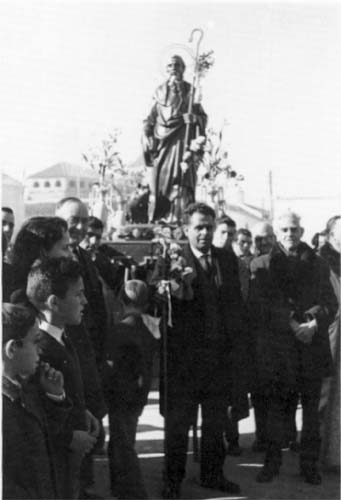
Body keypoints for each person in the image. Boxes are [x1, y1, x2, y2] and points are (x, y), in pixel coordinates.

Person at [152, 202, 245, 499]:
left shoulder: (226, 259)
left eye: (208, 226)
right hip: (185, 360)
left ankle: (212, 474)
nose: (204, 233)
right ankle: (173, 479)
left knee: (215, 421)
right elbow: (155, 292)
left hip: (218, 356)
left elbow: (234, 304)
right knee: (179, 422)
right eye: (198, 227)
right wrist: (168, 287)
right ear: (185, 229)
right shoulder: (171, 259)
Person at [10, 215, 107, 499]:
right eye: (63, 247)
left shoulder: (63, 322)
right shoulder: (31, 324)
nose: (71, 251)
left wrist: (81, 409)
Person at [249, 210, 337, 484]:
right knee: (276, 412)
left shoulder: (319, 264)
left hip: (311, 346)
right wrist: (289, 322)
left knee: (311, 413)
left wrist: (312, 323)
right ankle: (272, 463)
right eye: (285, 230)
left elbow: (330, 303)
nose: (290, 235)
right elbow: (258, 304)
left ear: (302, 231)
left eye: (294, 230)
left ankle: (309, 466)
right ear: (277, 232)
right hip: (280, 349)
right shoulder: (261, 264)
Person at [26, 257, 98, 499]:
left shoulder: (62, 337)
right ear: (54, 303)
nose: (85, 301)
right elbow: (35, 411)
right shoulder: (39, 350)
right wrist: (68, 436)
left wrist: (81, 411)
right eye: (78, 295)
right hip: (55, 460)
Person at [2, 303, 70, 499]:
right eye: (35, 341)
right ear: (13, 348)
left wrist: (55, 395)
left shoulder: (25, 389)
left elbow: (46, 439)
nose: (40, 350)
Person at [103, 280, 158, 499]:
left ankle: (131, 490)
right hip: (138, 394)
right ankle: (120, 487)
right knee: (126, 440)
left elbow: (110, 366)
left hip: (119, 395)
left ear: (122, 301)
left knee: (121, 444)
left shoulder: (119, 330)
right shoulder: (148, 329)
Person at [142, 55, 207, 222]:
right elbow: (150, 117)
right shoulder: (159, 92)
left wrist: (195, 120)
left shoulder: (191, 91)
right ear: (166, 69)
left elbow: (202, 116)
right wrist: (146, 134)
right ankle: (161, 217)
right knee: (161, 182)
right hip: (162, 143)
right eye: (170, 65)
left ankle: (181, 217)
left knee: (182, 179)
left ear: (183, 69)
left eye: (177, 65)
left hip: (182, 142)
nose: (173, 68)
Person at [319, 215, 341, 470]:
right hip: (329, 333)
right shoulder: (323, 261)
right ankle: (323, 452)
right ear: (332, 234)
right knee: (325, 392)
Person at [233, 228, 253, 302]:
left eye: (249, 243)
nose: (246, 245)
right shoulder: (227, 260)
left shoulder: (254, 261)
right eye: (243, 242)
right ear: (234, 242)